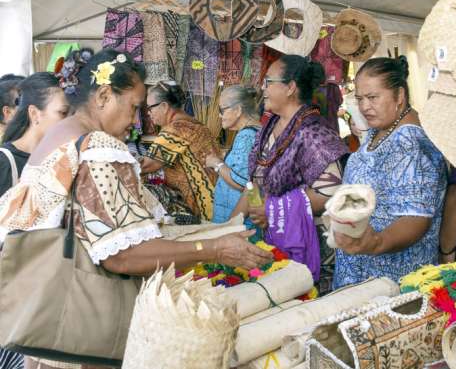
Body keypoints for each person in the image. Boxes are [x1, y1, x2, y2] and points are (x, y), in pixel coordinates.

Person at [0, 49, 272, 369]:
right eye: (133, 107)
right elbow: (121, 255)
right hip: (78, 321)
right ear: (103, 95)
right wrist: (213, 249)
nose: (135, 120)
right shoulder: (97, 147)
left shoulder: (60, 134)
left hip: (44, 308)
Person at [233, 55, 349, 293]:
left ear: (290, 88)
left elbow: (332, 193)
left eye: (268, 82)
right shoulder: (268, 127)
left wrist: (272, 210)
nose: (262, 89)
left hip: (311, 246)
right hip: (273, 239)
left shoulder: (315, 134)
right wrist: (252, 213)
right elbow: (255, 177)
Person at [333, 56, 447, 289]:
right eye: (360, 99)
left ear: (400, 96)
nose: (364, 107)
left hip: (390, 283)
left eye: (373, 97)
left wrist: (376, 242)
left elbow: (416, 217)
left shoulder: (410, 142)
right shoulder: (383, 129)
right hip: (361, 274)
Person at [140, 81, 220, 221]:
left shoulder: (177, 129)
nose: (148, 113)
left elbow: (146, 165)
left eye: (150, 108)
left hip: (203, 202)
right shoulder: (193, 123)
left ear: (164, 106)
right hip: (215, 197)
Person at [0, 73, 69, 196]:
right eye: (63, 113)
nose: (69, 121)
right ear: (34, 113)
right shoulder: (4, 162)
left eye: (72, 114)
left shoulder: (63, 158)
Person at [205, 85, 261, 225]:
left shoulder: (246, 136)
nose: (219, 115)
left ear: (237, 110)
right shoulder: (257, 130)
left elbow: (242, 182)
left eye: (222, 110)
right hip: (247, 217)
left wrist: (216, 163)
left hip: (240, 220)